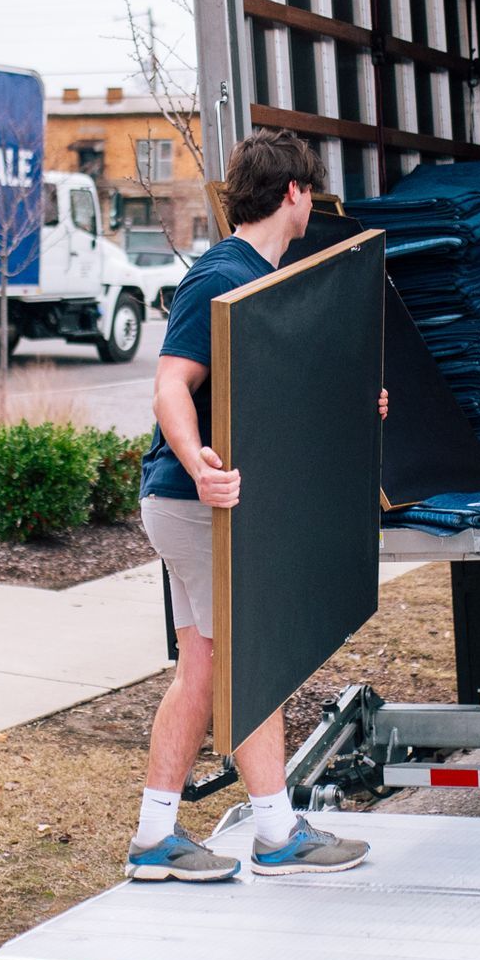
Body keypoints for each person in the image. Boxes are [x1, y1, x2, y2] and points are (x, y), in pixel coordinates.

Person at [126, 129, 385, 882]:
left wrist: (355, 406)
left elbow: (273, 403)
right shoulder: (223, 277)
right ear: (296, 194)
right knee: (254, 660)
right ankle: (275, 832)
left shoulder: (265, 280)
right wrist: (197, 463)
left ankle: (155, 838)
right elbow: (172, 384)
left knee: (204, 672)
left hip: (191, 505)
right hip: (195, 503)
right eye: (313, 193)